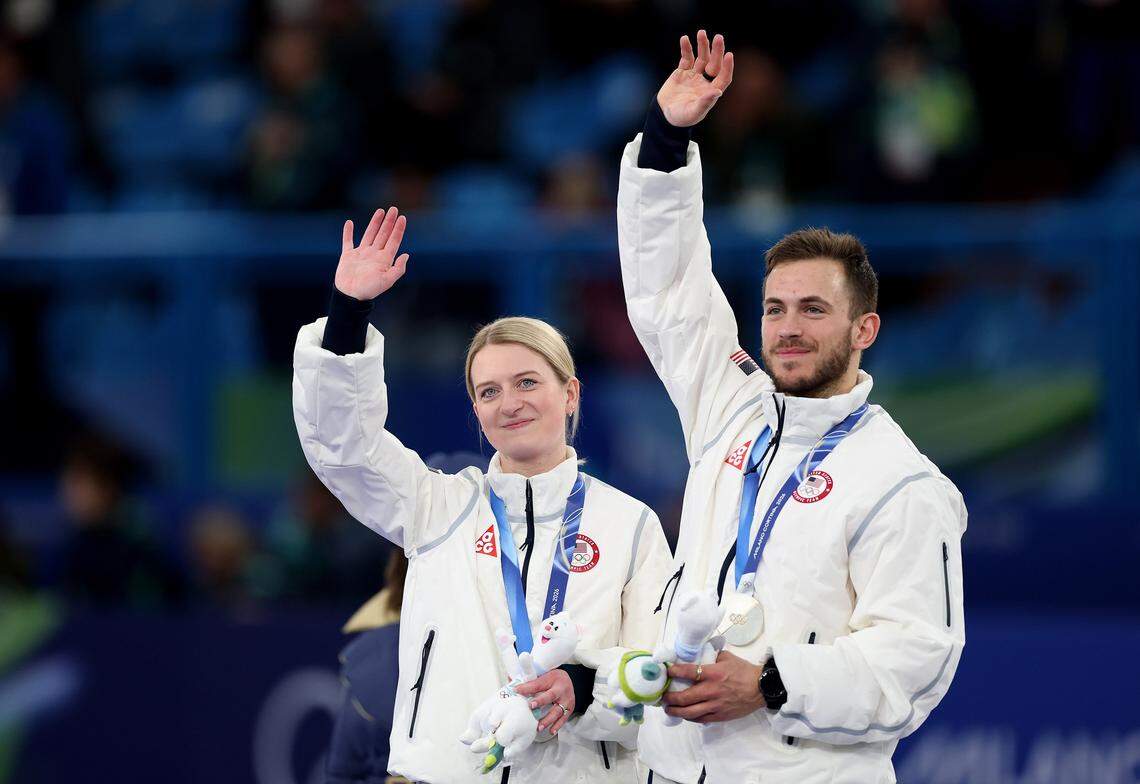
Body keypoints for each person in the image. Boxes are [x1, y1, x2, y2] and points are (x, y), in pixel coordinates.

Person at [616, 30, 966, 784]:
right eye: (775, 309)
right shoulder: (731, 412)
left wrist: (774, 682)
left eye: (813, 309)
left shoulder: (904, 485)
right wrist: (667, 139)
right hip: (675, 769)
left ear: (863, 329)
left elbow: (918, 657)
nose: (788, 328)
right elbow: (668, 289)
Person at [292, 206, 674, 783]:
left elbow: (658, 676)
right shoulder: (435, 507)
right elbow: (343, 446)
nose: (510, 402)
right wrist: (348, 312)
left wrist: (581, 686)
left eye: (527, 382)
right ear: (476, 410)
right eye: (489, 391)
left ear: (570, 393)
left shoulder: (631, 525)